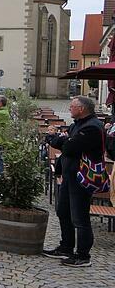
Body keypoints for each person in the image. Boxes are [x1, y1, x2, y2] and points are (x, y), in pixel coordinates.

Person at [43, 96, 103, 267]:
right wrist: (63, 140)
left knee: (80, 217)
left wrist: (63, 140)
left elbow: (69, 147)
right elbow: (62, 142)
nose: (69, 108)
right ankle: (66, 247)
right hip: (69, 176)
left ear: (82, 109)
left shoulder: (92, 127)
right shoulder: (76, 124)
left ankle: (83, 255)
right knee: (63, 212)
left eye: (72, 106)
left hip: (82, 178)